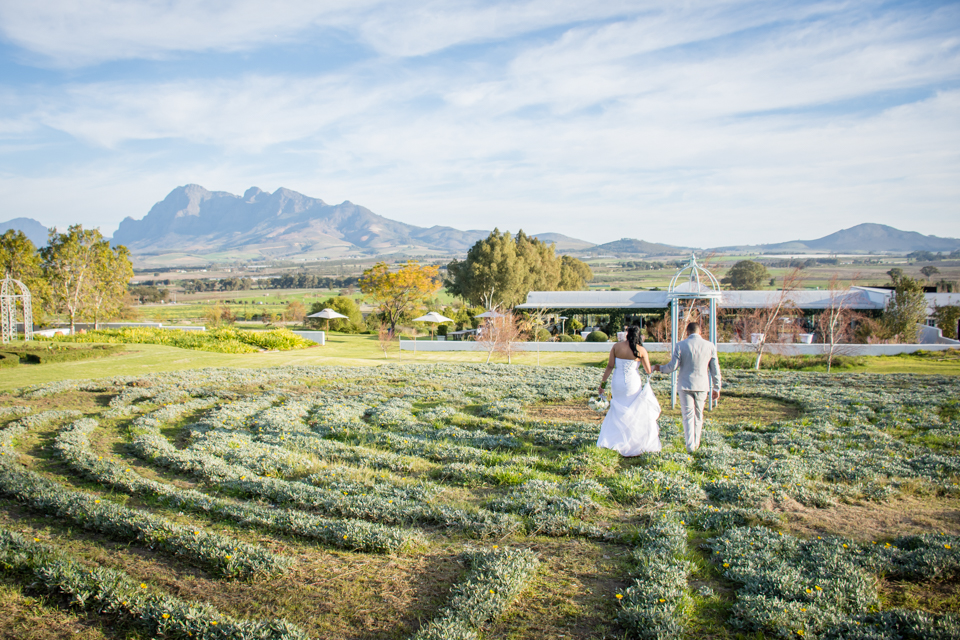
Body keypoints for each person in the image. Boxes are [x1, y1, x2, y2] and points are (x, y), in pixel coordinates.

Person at [654, 322, 721, 453]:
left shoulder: (680, 345)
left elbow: (672, 367)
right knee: (698, 415)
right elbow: (715, 369)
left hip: (685, 385)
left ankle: (690, 445)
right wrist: (717, 387)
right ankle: (696, 444)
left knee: (688, 415)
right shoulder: (710, 346)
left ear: (687, 332)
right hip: (702, 385)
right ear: (700, 332)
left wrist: (659, 368)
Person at [596, 325, 661, 455]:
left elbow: (609, 366)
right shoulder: (641, 350)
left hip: (617, 382)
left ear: (627, 334)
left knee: (617, 409)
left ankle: (613, 439)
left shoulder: (616, 347)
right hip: (633, 383)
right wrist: (656, 367)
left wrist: (602, 384)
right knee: (633, 409)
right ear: (639, 336)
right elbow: (648, 370)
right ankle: (633, 441)